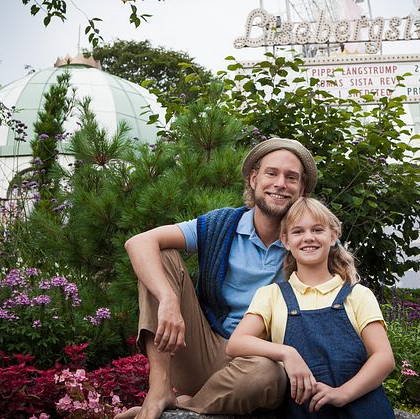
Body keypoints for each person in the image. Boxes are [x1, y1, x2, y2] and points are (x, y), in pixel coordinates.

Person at [117, 138, 318, 419]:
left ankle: (187, 406)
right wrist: (168, 299)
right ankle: (160, 387)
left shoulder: (310, 241)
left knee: (267, 372)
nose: (280, 183)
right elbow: (138, 243)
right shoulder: (221, 224)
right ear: (253, 178)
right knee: (161, 256)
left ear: (302, 189)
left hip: (258, 361)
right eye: (272, 173)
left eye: (291, 177)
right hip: (201, 348)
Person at [226, 197, 396, 418]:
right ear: (285, 241)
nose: (308, 238)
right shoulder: (272, 295)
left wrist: (342, 394)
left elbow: (384, 358)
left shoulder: (358, 295)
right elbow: (236, 343)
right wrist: (287, 353)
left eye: (317, 230)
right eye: (298, 232)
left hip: (361, 408)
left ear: (333, 236)